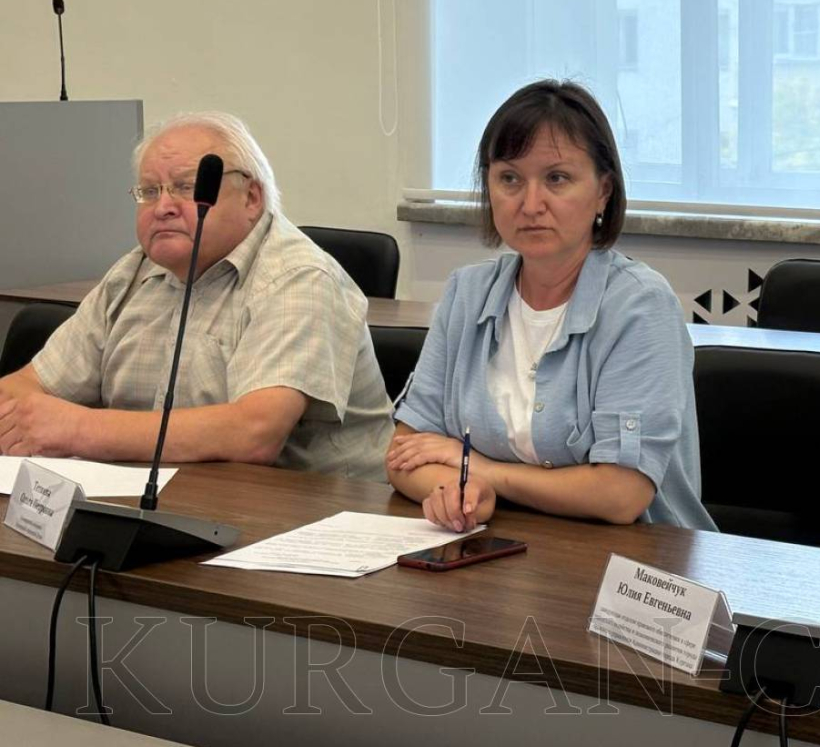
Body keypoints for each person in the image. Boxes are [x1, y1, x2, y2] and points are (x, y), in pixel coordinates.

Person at [386, 80, 713, 532]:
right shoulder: (466, 292)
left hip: (635, 561)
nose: (530, 204)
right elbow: (405, 454)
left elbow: (621, 495)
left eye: (557, 178)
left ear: (603, 191)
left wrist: (483, 471)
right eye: (510, 179)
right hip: (500, 544)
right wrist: (462, 493)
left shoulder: (640, 306)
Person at [0, 111, 393, 480]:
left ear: (251, 198)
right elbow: (24, 391)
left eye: (186, 188)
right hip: (165, 495)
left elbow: (254, 433)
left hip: (305, 511)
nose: (163, 207)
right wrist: (23, 418)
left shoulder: (300, 278)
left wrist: (77, 428)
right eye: (149, 191)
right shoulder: (133, 273)